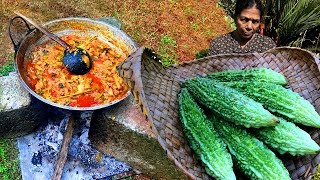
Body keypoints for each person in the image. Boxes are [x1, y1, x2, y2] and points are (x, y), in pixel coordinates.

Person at [208, 0, 276, 56]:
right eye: (244, 19)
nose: (249, 26)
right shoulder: (219, 44)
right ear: (235, 17)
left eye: (255, 21)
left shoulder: (267, 46)